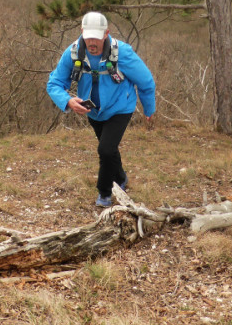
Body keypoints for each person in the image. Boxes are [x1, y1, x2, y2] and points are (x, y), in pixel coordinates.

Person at [47, 12, 156, 207]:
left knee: (105, 149)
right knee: (109, 149)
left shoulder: (122, 52)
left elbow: (146, 81)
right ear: (82, 32)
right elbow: (54, 83)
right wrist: (68, 101)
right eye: (88, 37)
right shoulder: (73, 53)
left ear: (106, 33)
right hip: (93, 111)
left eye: (96, 37)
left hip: (121, 107)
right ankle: (121, 178)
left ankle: (104, 194)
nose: (92, 42)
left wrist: (149, 109)